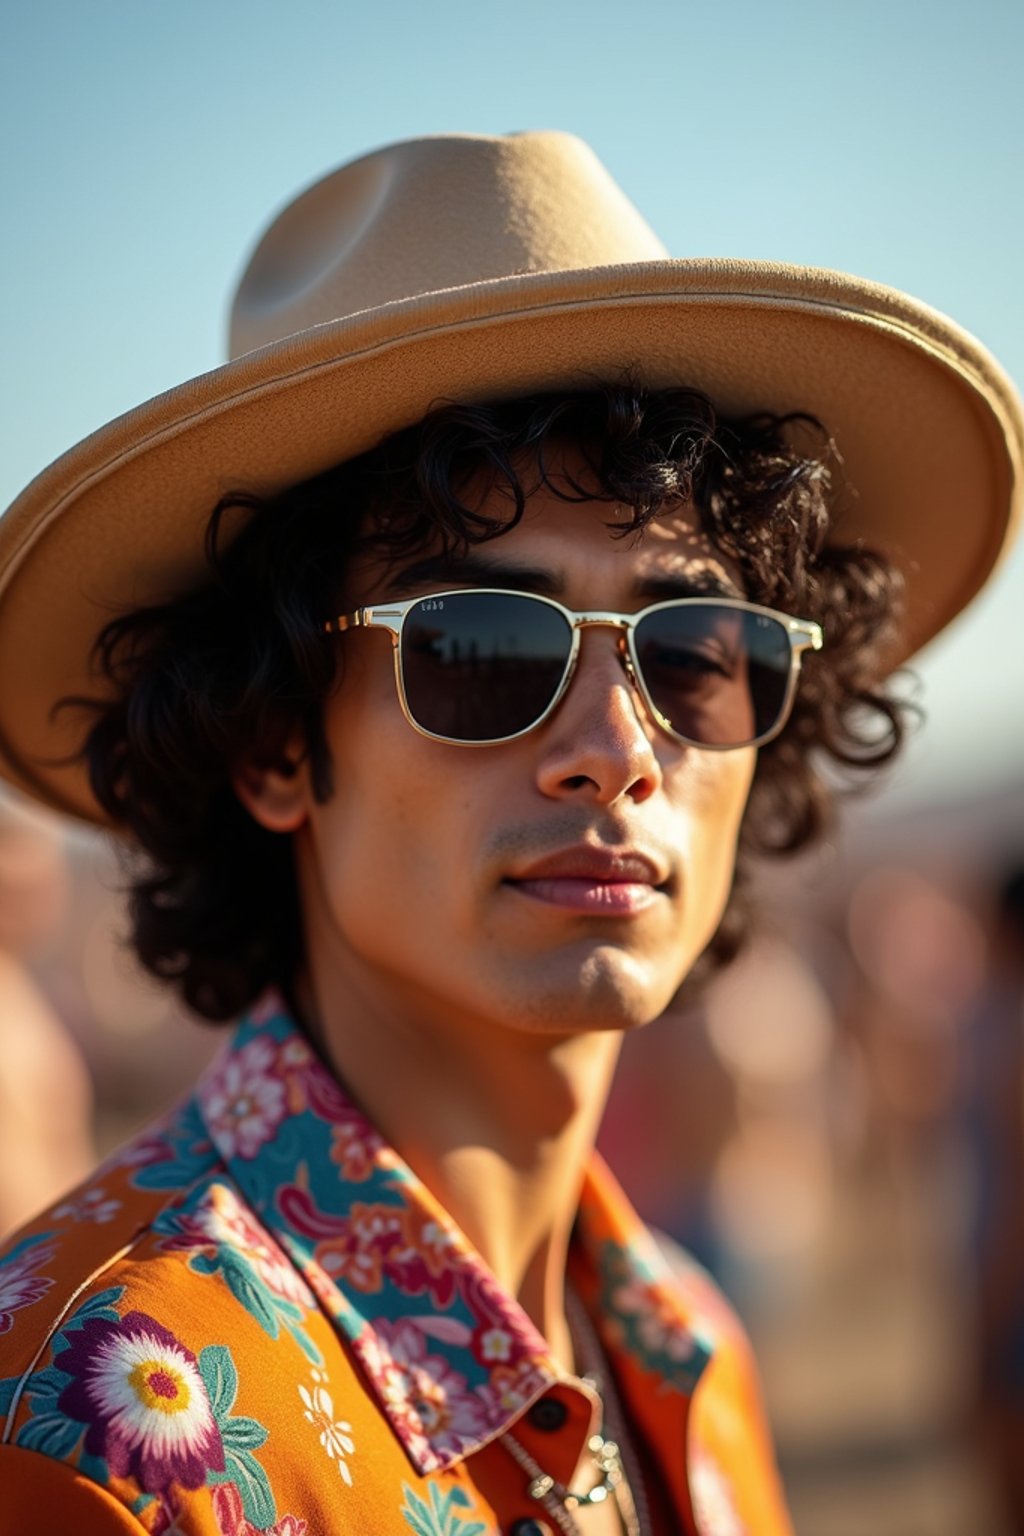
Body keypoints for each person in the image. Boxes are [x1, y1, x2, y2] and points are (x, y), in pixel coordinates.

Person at [0, 131, 1019, 1536]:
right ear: (273, 742)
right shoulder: (106, 1432)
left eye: (693, 654)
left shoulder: (689, 1349)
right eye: (480, 647)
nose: (613, 752)